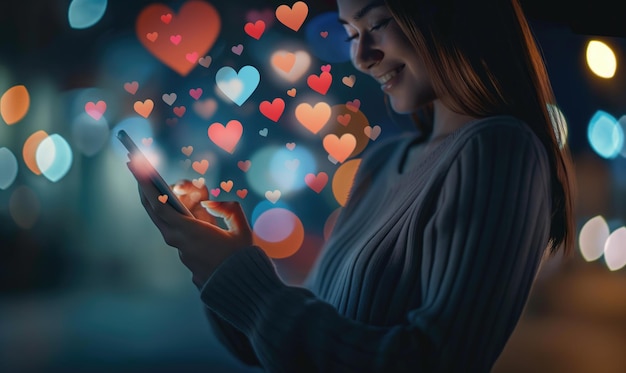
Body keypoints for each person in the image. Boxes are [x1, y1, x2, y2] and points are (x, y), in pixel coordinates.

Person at [126, 0, 576, 371]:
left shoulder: (498, 149)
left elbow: (435, 361)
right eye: (350, 33)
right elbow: (297, 347)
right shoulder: (383, 161)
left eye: (377, 23)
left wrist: (245, 281)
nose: (361, 57)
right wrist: (218, 263)